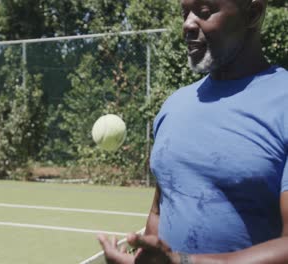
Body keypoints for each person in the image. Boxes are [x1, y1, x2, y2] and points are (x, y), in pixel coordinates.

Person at [98, 0, 288, 263]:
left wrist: (186, 261)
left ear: (253, 14)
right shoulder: (173, 106)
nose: (187, 24)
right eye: (184, 12)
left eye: (204, 12)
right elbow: (159, 213)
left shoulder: (283, 101)